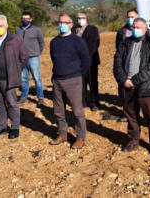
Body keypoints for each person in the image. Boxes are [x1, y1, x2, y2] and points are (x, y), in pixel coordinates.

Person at [113, 17, 150, 158]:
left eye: (138, 27)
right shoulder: (125, 44)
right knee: (131, 116)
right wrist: (123, 79)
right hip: (128, 87)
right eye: (133, 27)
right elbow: (117, 63)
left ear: (145, 29)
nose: (135, 30)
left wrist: (135, 80)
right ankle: (133, 140)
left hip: (146, 87)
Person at [49, 13, 91, 149]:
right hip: (57, 79)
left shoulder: (77, 41)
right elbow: (53, 59)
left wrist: (77, 73)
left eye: (66, 23)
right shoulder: (54, 42)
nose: (62, 25)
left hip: (73, 79)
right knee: (58, 110)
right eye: (60, 22)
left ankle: (80, 137)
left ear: (71, 25)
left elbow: (86, 60)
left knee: (77, 111)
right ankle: (62, 133)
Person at [115, 9, 150, 108]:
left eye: (132, 17)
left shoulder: (146, 32)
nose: (130, 19)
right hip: (126, 70)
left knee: (142, 97)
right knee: (127, 98)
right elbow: (118, 52)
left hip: (140, 70)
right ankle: (126, 112)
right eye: (128, 17)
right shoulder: (121, 32)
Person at [15, 11, 46, 106]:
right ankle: (24, 97)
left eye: (27, 19)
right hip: (22, 59)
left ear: (31, 19)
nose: (25, 20)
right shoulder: (17, 30)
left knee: (37, 78)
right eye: (23, 19)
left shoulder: (36, 30)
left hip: (33, 58)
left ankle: (40, 98)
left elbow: (42, 42)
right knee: (24, 79)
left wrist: (38, 52)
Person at [72, 11, 101, 112]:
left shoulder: (93, 29)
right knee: (81, 82)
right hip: (77, 61)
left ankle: (94, 102)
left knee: (92, 82)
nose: (80, 20)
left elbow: (95, 44)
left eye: (82, 18)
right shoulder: (74, 30)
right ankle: (83, 101)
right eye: (78, 18)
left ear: (87, 19)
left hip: (91, 60)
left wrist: (86, 56)